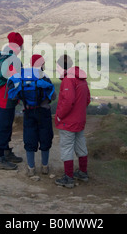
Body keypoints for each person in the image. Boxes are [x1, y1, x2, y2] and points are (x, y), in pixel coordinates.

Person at [8, 54, 56, 177]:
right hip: (43, 112)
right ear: (42, 64)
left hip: (28, 111)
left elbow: (16, 94)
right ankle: (45, 167)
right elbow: (53, 96)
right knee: (45, 137)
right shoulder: (44, 76)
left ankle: (31, 168)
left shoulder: (23, 76)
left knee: (29, 138)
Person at [54, 55, 91, 188]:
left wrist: (59, 116)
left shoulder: (68, 80)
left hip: (68, 122)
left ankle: (68, 178)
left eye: (56, 67)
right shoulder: (82, 80)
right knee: (81, 145)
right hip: (80, 120)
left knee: (67, 148)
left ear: (60, 66)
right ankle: (83, 172)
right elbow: (87, 99)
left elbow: (68, 101)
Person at [0, 32, 24, 170]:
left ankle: (5, 152)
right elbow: (18, 82)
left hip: (1, 97)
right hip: (6, 99)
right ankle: (0, 159)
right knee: (4, 127)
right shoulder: (13, 60)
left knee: (6, 126)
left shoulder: (4, 56)